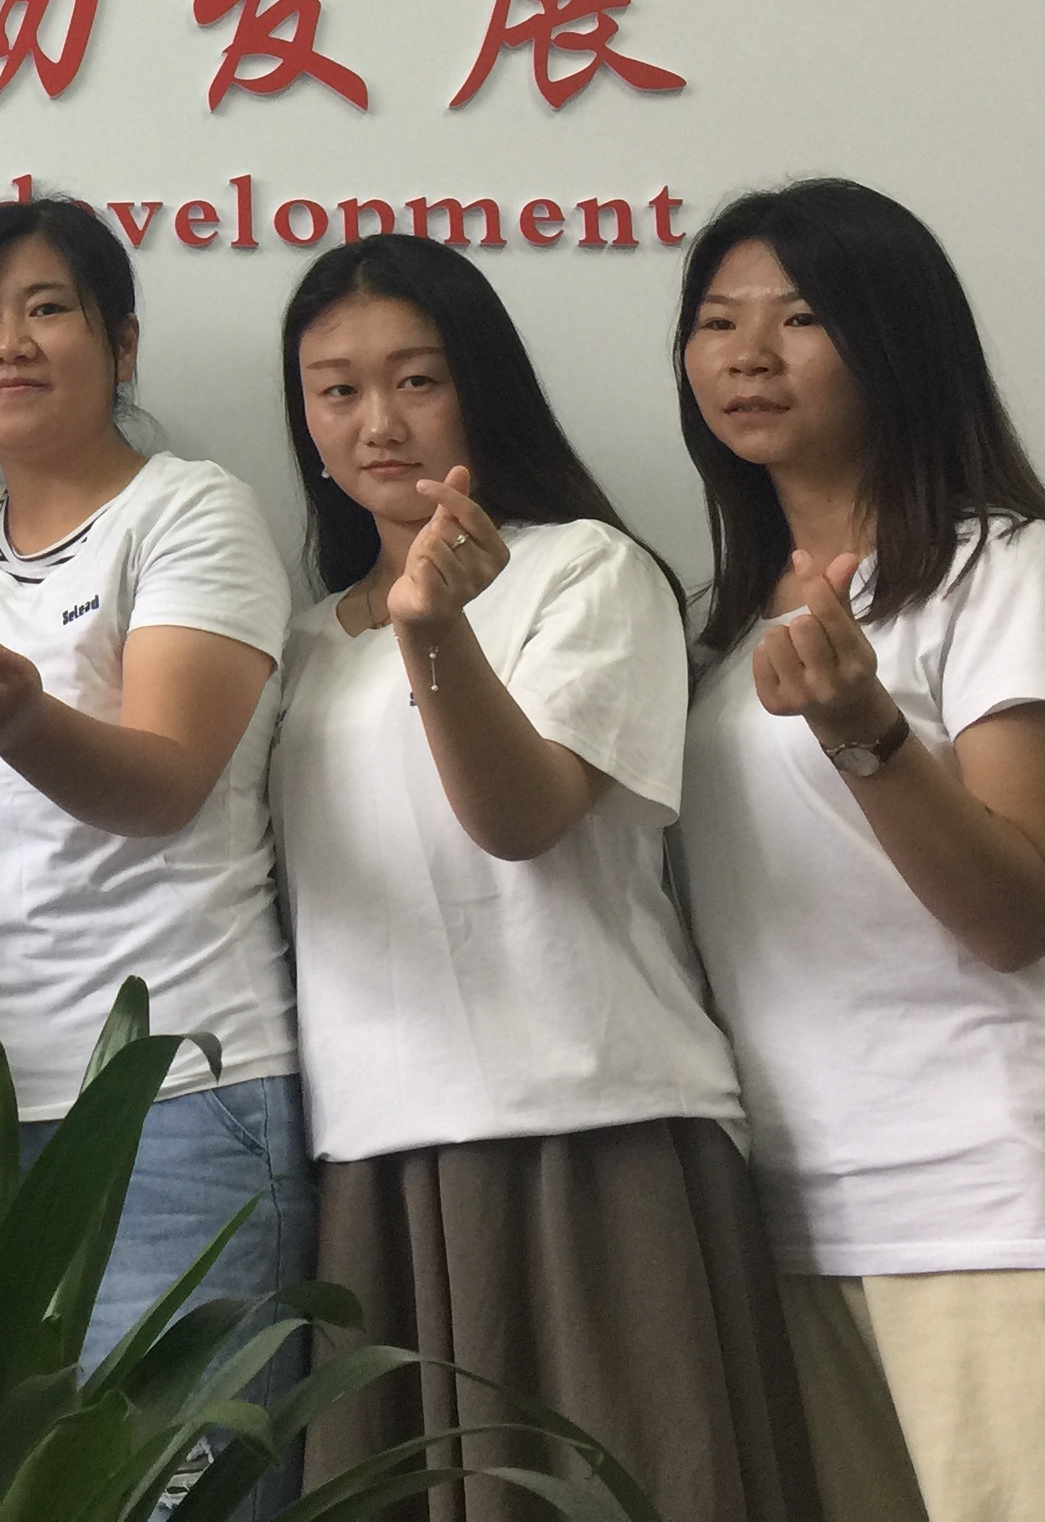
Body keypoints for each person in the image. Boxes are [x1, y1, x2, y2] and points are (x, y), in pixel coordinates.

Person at [672, 181, 1045, 1522]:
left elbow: (1014, 910)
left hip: (1007, 1201)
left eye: (799, 318)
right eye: (715, 321)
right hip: (803, 1222)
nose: (747, 354)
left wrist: (866, 730)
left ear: (895, 341)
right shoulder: (721, 628)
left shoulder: (1012, 571)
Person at [273, 235, 815, 1522]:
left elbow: (519, 820)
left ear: (484, 389)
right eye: (337, 391)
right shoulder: (299, 642)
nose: (377, 422)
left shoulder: (584, 570)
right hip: (378, 1153)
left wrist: (434, 628)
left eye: (417, 380)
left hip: (590, 1127)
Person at [0, 196, 311, 1466]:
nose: (8, 343)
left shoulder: (192, 512)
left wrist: (22, 719)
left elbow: (167, 780)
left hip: (178, 1093)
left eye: (47, 309)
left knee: (171, 1489)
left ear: (121, 344)